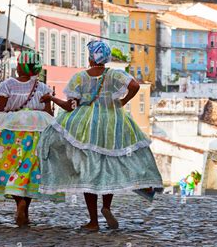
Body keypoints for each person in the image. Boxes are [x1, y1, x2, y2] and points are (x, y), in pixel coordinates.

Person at [38, 40, 163, 231]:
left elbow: (70, 106)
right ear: (106, 58)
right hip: (113, 123)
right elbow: (135, 85)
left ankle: (93, 221)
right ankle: (106, 207)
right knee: (108, 165)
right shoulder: (114, 74)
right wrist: (123, 101)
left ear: (90, 58)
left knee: (89, 171)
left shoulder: (80, 78)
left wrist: (52, 98)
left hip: (85, 126)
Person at [0, 51, 64, 227]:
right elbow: (49, 113)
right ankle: (25, 209)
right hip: (37, 131)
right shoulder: (43, 87)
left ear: (21, 66)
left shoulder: (8, 84)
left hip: (10, 133)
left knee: (10, 168)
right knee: (28, 171)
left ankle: (19, 204)